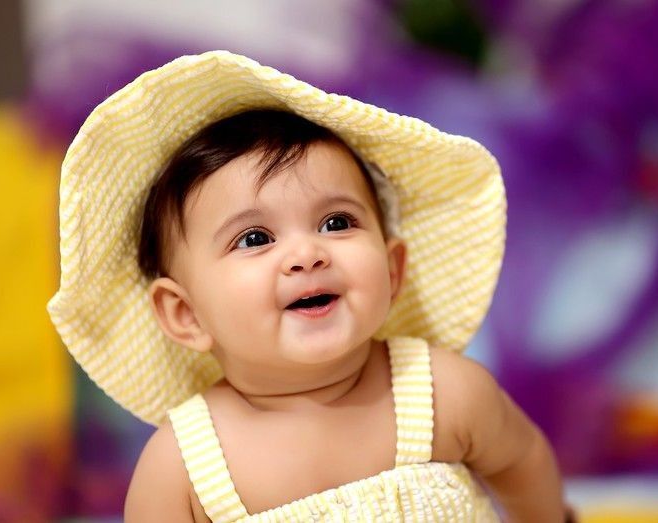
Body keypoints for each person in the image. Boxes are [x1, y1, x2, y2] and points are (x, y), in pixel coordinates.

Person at [48, 51, 569, 522]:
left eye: (337, 223)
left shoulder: (444, 393)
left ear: (391, 270)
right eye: (255, 237)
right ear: (187, 314)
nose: (306, 254)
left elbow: (522, 460)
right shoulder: (183, 467)